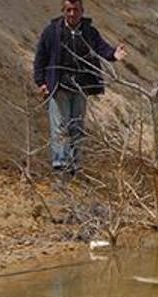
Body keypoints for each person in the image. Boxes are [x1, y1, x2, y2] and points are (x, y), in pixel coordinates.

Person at [33, 0, 126, 175]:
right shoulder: (52, 32)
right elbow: (41, 57)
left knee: (76, 126)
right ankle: (61, 163)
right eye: (68, 10)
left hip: (80, 87)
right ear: (63, 11)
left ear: (82, 11)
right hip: (58, 85)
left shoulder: (89, 32)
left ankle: (74, 164)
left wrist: (114, 54)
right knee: (60, 124)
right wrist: (41, 82)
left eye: (76, 10)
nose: (72, 13)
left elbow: (102, 48)